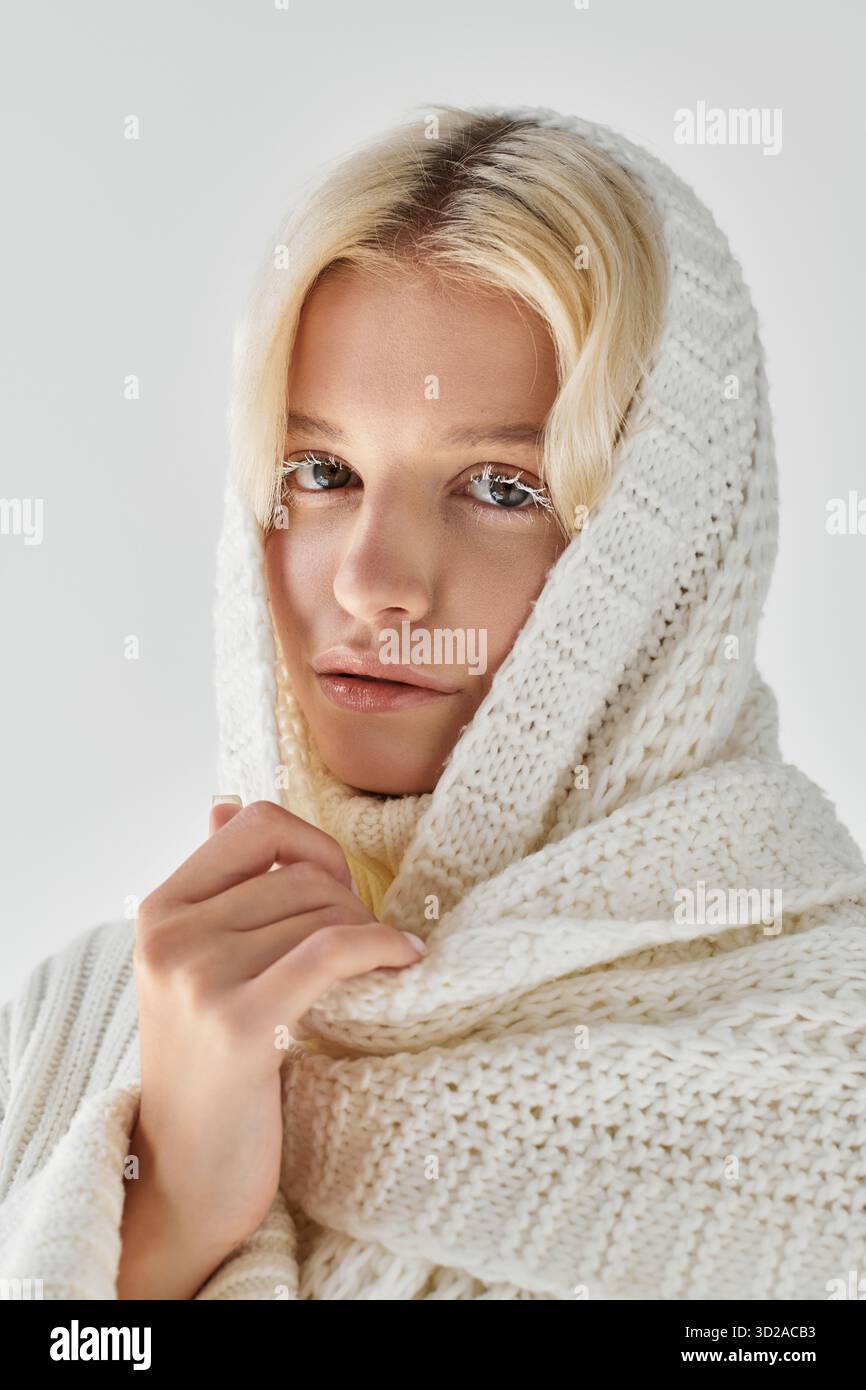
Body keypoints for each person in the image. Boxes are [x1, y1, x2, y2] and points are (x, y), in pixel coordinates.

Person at [2, 103, 865, 1302]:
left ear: (669, 564)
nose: (371, 580)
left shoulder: (835, 1081)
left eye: (499, 486)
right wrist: (162, 1212)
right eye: (321, 472)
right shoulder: (87, 1022)